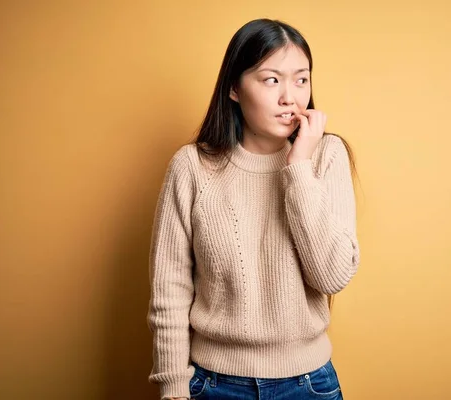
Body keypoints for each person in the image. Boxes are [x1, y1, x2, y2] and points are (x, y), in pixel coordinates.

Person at [147, 18, 360, 400]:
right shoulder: (192, 166)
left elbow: (332, 276)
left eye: (301, 79)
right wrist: (173, 389)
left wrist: (297, 167)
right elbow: (169, 292)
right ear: (233, 88)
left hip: (308, 385)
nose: (290, 98)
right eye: (271, 80)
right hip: (213, 385)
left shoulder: (327, 156)